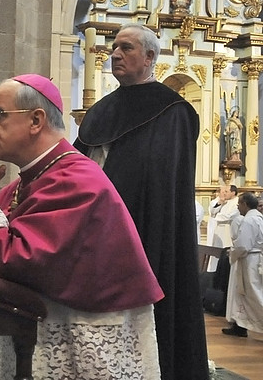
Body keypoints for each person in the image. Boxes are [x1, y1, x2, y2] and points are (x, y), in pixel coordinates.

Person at [0, 74, 164, 378]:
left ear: (36, 120)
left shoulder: (76, 180)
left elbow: (12, 260)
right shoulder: (29, 180)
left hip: (85, 340)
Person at [74, 23, 210, 379]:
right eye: (115, 46)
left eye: (127, 48)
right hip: (93, 233)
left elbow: (163, 184)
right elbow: (76, 165)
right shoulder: (101, 110)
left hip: (145, 233)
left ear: (150, 57)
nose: (116, 54)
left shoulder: (172, 111)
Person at [222, 192, 263, 337]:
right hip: (253, 259)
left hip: (249, 261)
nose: (238, 206)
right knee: (244, 295)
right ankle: (240, 326)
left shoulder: (249, 221)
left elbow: (243, 246)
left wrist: (232, 253)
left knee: (254, 296)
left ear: (245, 204)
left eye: (239, 203)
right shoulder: (258, 218)